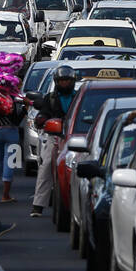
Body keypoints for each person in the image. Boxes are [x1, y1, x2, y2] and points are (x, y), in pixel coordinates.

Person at [30, 65, 78, 218]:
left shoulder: (78, 97)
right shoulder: (49, 98)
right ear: (57, 82)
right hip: (55, 136)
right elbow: (43, 113)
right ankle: (38, 205)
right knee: (46, 165)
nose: (65, 84)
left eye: (67, 80)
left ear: (73, 81)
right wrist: (41, 119)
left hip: (76, 137)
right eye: (62, 81)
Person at [0, 92, 23, 204]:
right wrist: (25, 109)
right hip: (11, 132)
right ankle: (5, 195)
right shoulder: (11, 98)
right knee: (9, 163)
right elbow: (16, 120)